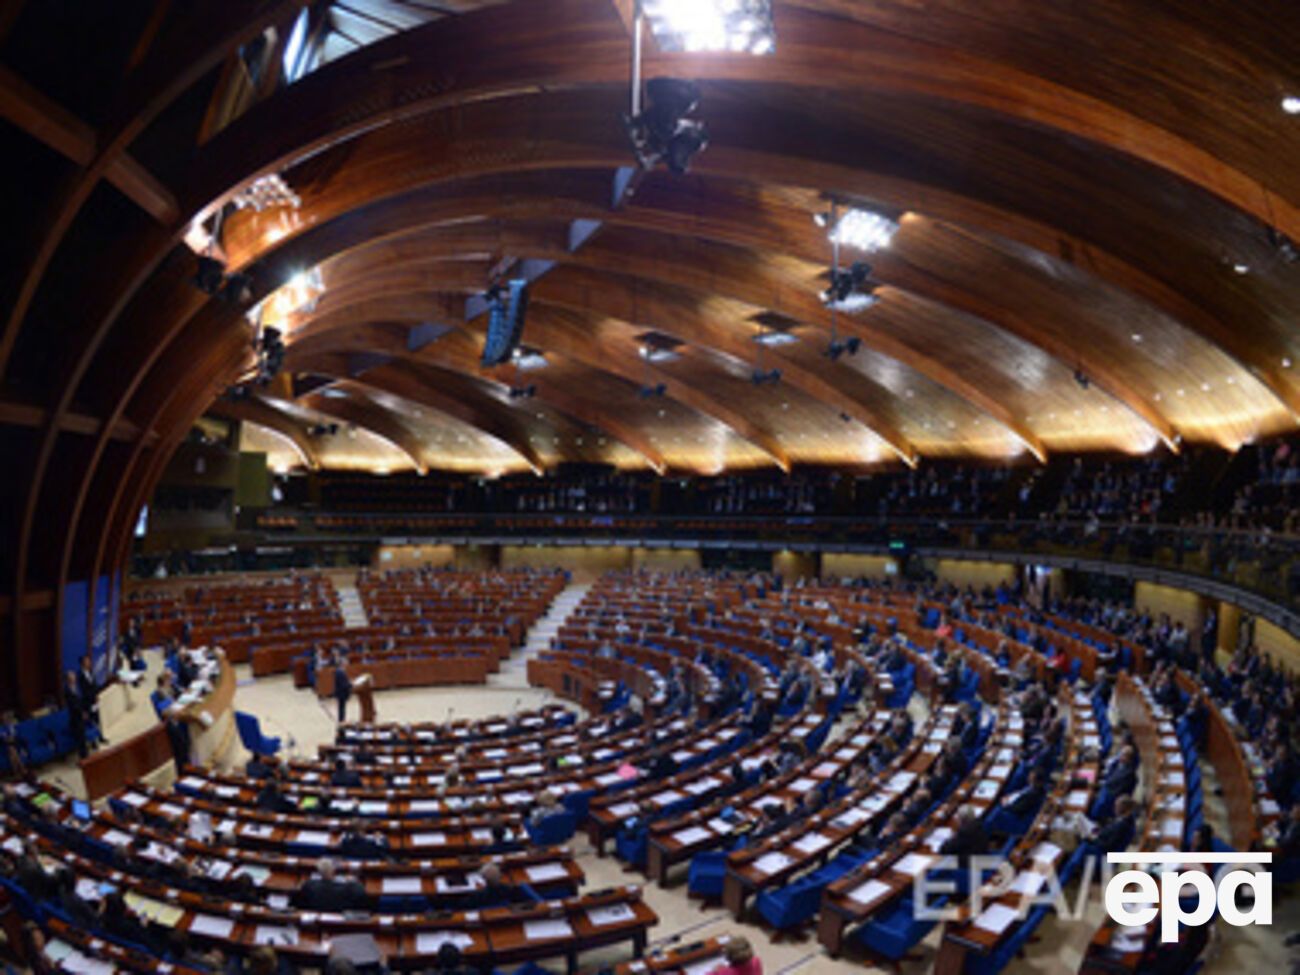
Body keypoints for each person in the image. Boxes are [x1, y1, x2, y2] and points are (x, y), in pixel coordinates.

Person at [333, 653, 352, 723]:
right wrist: (350, 684)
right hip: (341, 693)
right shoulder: (340, 672)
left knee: (342, 708)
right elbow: (343, 684)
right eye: (345, 662)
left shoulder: (340, 671)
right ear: (342, 663)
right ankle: (341, 721)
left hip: (341, 692)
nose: (347, 663)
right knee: (342, 708)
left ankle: (342, 720)